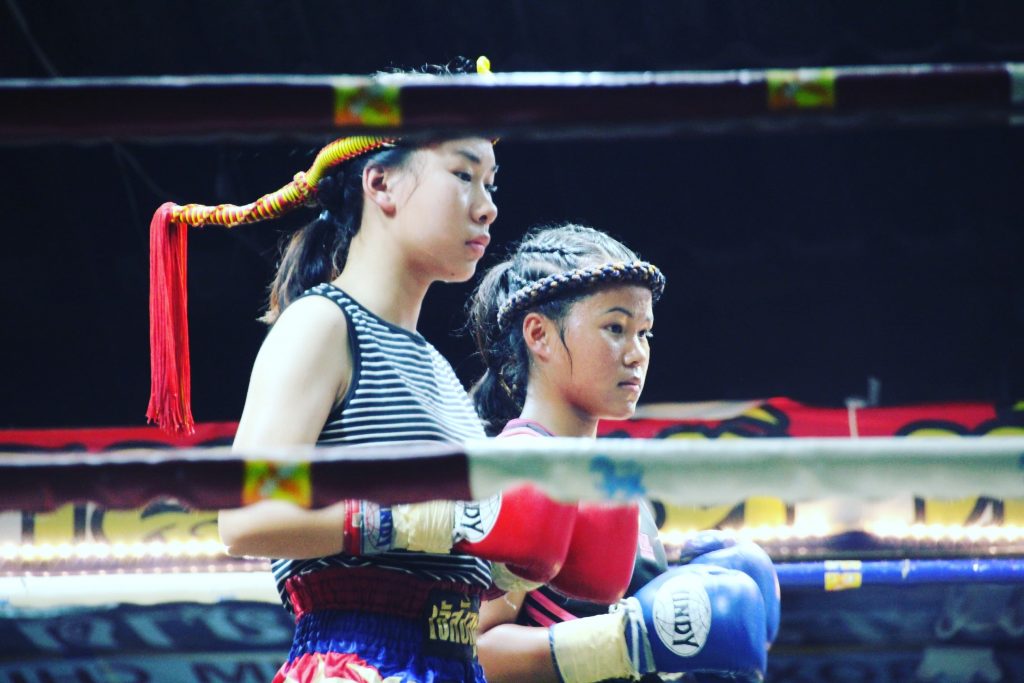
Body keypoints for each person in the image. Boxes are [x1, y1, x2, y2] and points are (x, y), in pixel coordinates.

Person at [148, 60, 581, 682]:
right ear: (381, 184)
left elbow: (454, 555)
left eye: (491, 184)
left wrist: (514, 563)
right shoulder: (322, 324)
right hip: (355, 659)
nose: (486, 207)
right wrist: (405, 521)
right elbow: (242, 518)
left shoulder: (436, 371)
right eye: (463, 175)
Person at [467, 224, 780, 682]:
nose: (636, 354)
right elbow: (472, 652)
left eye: (645, 333)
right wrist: (625, 642)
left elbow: (641, 651)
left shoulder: (616, 485)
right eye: (615, 328)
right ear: (539, 335)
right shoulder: (522, 469)